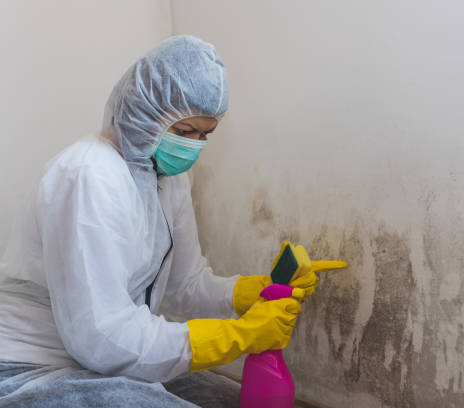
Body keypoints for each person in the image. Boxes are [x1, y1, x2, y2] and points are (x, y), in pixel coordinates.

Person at [0, 35, 320, 407]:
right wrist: (236, 336)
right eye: (185, 132)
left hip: (108, 362)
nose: (194, 146)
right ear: (144, 111)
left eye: (205, 134)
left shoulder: (166, 178)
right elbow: (100, 335)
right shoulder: (89, 175)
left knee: (232, 400)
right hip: (32, 369)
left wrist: (250, 292)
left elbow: (184, 285)